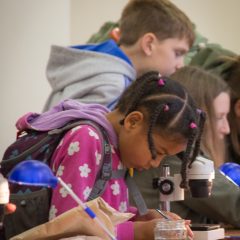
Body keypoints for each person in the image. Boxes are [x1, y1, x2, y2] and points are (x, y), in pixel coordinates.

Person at [18, 71, 205, 240]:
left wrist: (140, 215)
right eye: (157, 152)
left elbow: (98, 213)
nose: (156, 163)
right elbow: (68, 226)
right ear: (133, 121)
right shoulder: (87, 139)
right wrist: (139, 231)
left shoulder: (115, 147)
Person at [132, 66, 240, 228]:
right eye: (219, 118)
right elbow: (236, 207)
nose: (226, 128)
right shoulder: (176, 157)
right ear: (195, 118)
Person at [43, 0, 195, 111]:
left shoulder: (97, 69)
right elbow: (81, 148)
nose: (180, 64)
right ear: (149, 44)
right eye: (178, 53)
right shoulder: (112, 85)